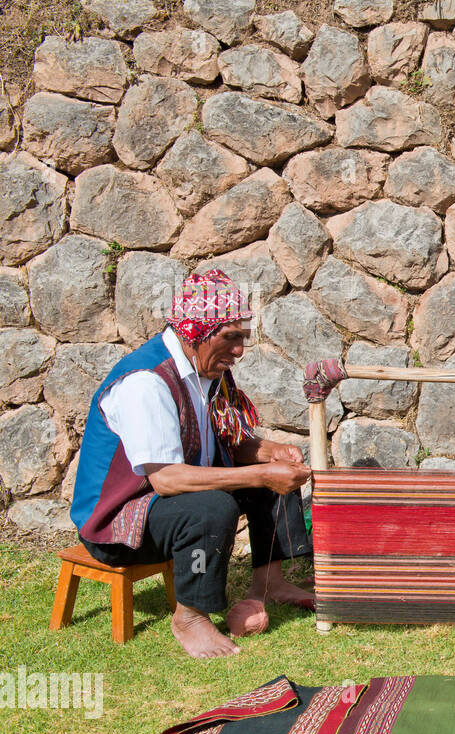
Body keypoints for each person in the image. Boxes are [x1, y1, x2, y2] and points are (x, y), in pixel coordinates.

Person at [71, 270, 313, 659]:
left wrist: (270, 453)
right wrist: (259, 471)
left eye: (242, 338)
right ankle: (190, 617)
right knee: (210, 507)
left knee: (274, 475)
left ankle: (269, 582)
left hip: (165, 501)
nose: (239, 351)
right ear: (195, 332)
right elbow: (166, 479)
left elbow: (229, 442)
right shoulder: (145, 383)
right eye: (230, 338)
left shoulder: (208, 371)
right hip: (119, 522)